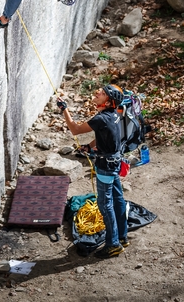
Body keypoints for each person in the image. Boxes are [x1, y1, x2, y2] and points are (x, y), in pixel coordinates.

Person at [56, 84, 128, 259]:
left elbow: (75, 129)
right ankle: (121, 237)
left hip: (105, 166)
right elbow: (104, 134)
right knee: (117, 199)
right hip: (115, 162)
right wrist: (90, 146)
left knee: (105, 205)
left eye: (102, 93)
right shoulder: (113, 115)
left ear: (109, 101)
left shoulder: (102, 118)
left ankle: (113, 245)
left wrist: (64, 109)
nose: (97, 93)